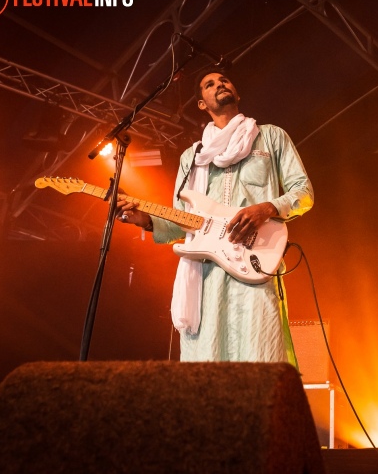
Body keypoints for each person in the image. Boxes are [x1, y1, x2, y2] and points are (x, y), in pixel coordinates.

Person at [115, 65, 313, 364]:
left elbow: (303, 192)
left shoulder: (271, 137)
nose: (219, 84)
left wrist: (267, 208)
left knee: (261, 361)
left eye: (224, 80)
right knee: (209, 371)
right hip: (206, 277)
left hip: (256, 265)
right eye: (209, 84)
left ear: (237, 92)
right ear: (201, 103)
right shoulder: (192, 157)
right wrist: (141, 217)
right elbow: (181, 221)